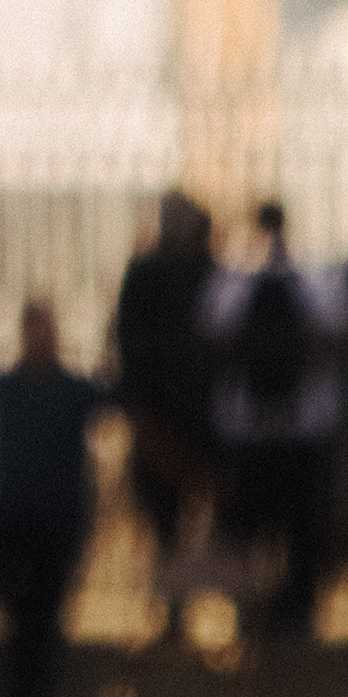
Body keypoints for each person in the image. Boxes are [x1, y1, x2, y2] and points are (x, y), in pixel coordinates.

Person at [203, 201, 348, 641]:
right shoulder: (240, 284)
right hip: (253, 428)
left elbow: (335, 337)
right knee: (252, 528)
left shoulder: (303, 282)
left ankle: (297, 610)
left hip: (296, 427)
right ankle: (255, 609)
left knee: (300, 528)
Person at [0, 299, 108, 697]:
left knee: (46, 620)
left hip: (59, 526)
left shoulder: (74, 390)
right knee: (18, 622)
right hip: (13, 524)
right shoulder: (4, 387)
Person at [104, 191, 218, 602]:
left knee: (200, 511)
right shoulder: (149, 273)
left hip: (196, 412)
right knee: (163, 514)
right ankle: (171, 600)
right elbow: (127, 341)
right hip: (161, 411)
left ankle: (191, 595)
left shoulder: (209, 272)